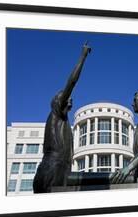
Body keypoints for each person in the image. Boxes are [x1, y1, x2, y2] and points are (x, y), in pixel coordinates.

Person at [33, 43, 91, 193]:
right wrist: (83, 56)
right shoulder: (56, 113)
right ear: (58, 102)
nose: (70, 99)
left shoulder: (63, 120)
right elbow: (71, 82)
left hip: (62, 167)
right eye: (65, 97)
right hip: (54, 167)